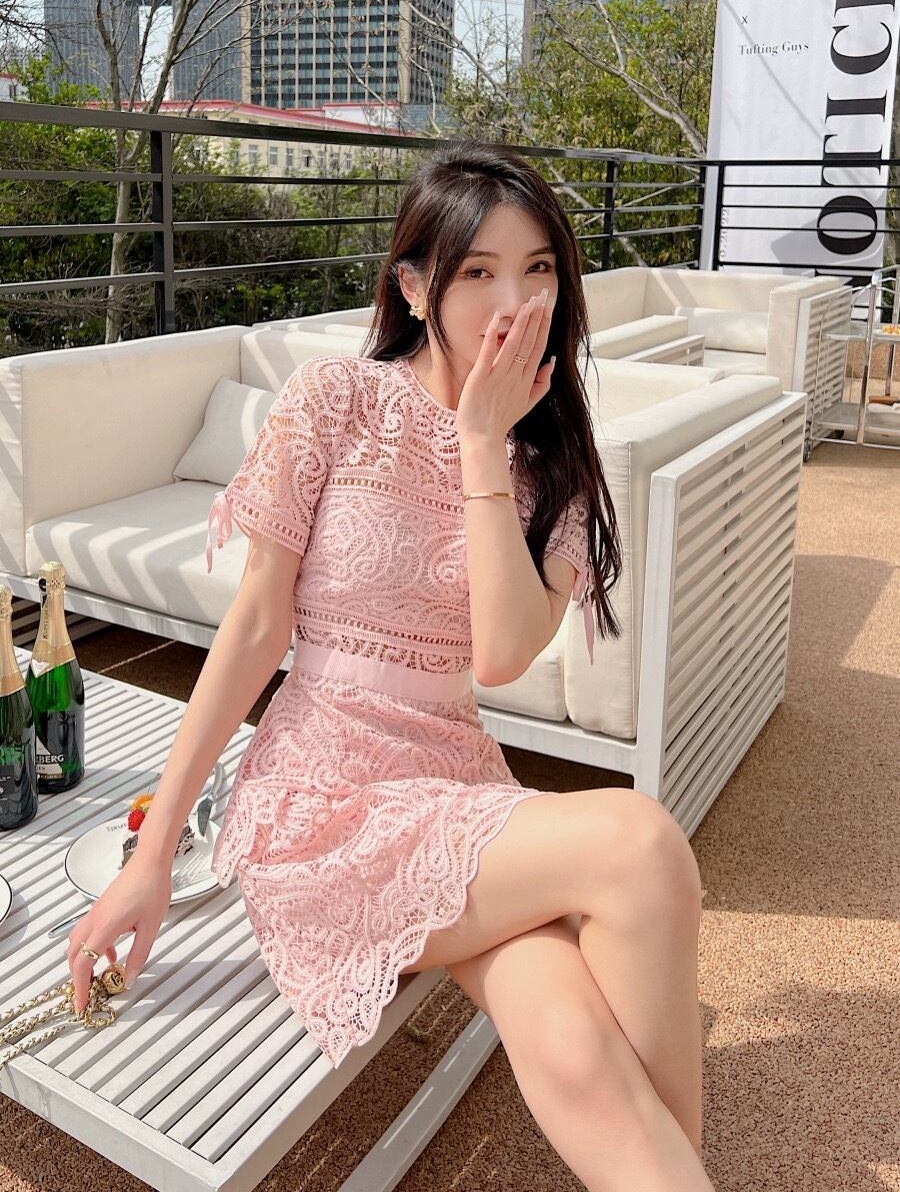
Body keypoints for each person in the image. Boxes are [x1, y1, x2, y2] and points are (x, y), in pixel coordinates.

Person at [66, 141, 712, 1191]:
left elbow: (501, 653)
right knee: (641, 845)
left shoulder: (556, 468)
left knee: (570, 1036)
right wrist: (154, 854)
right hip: (322, 805)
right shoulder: (335, 399)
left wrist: (481, 444)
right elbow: (256, 626)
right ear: (414, 287)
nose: (516, 300)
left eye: (539, 269)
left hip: (456, 787)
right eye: (478, 271)